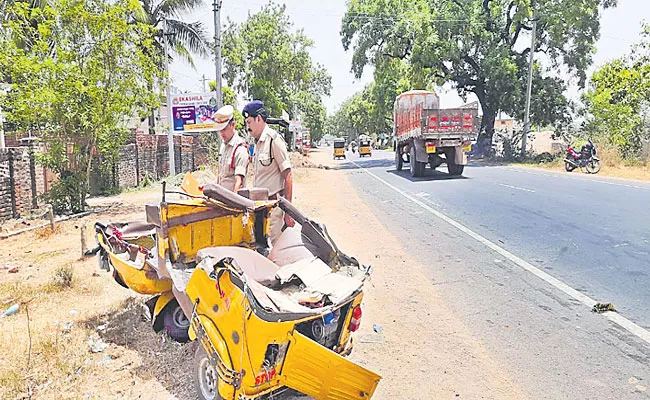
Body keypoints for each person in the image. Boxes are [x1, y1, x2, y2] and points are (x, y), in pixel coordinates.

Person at [242, 100, 294, 244]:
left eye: (249, 122)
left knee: (275, 249)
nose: (248, 127)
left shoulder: (274, 140)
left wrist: (289, 212)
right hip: (260, 209)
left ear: (259, 119)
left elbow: (288, 176)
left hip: (274, 209)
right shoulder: (257, 144)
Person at [215, 105, 249, 192]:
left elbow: (239, 182)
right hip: (221, 199)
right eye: (220, 130)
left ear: (232, 125)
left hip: (232, 201)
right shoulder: (223, 146)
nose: (221, 133)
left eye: (224, 129)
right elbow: (221, 177)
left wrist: (234, 204)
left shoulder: (240, 149)